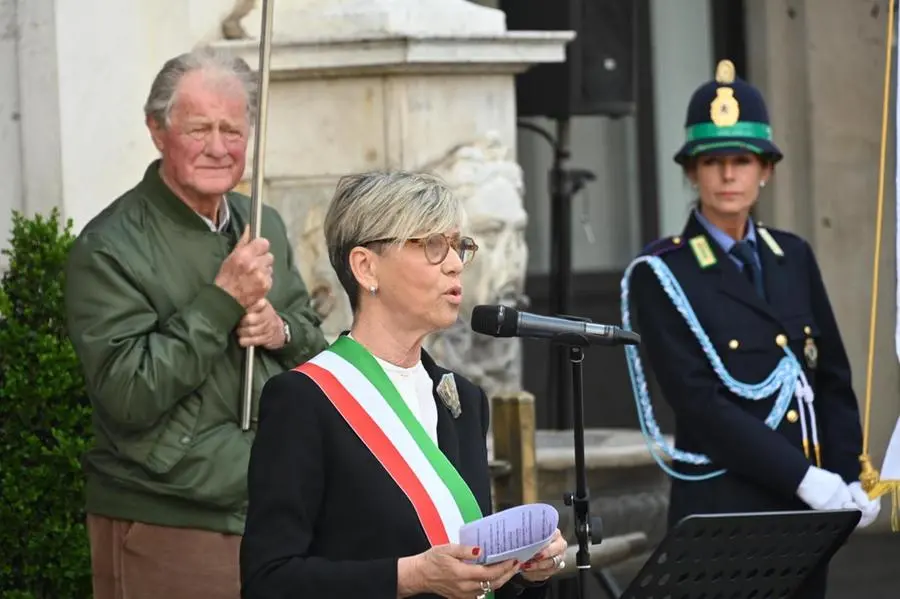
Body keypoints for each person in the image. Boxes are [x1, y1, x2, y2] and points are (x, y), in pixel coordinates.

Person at [64, 47, 327, 599]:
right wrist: (221, 300)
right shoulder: (108, 247)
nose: (217, 147)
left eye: (233, 129)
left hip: (271, 507)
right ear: (157, 130)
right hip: (170, 518)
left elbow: (312, 345)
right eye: (198, 128)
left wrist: (280, 331)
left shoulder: (264, 224)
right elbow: (129, 393)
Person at [620, 60, 881, 599]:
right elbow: (701, 405)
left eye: (742, 160)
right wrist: (806, 479)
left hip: (807, 515)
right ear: (692, 174)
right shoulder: (663, 272)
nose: (728, 176)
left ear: (766, 171)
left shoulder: (793, 256)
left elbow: (830, 378)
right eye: (713, 162)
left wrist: (847, 476)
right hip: (727, 511)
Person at [240, 171, 568, 599]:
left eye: (458, 246)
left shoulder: (463, 400)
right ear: (366, 266)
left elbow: (470, 575)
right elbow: (269, 582)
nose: (454, 262)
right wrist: (409, 577)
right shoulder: (305, 399)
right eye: (433, 244)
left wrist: (525, 571)